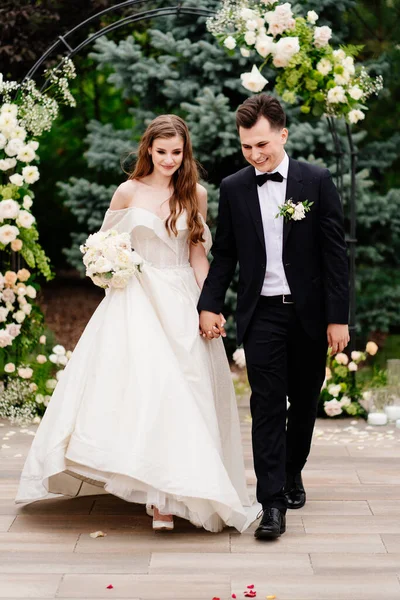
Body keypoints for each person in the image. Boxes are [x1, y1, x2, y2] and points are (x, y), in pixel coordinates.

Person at [16, 114, 260, 533]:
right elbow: (104, 246)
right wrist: (109, 268)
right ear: (148, 149)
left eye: (176, 152)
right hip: (137, 299)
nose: (168, 159)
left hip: (182, 297)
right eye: (161, 151)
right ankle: (156, 496)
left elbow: (198, 255)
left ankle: (174, 491)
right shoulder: (128, 191)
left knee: (188, 391)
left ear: (186, 153)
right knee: (151, 390)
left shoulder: (195, 194)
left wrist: (210, 303)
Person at [198, 94, 350, 540]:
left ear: (283, 134)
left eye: (262, 144)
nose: (255, 154)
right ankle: (272, 503)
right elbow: (224, 255)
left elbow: (335, 257)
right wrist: (210, 302)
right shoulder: (234, 187)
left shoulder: (316, 181)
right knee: (266, 404)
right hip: (260, 313)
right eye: (247, 146)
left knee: (303, 402)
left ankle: (291, 471)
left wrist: (337, 318)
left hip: (309, 314)